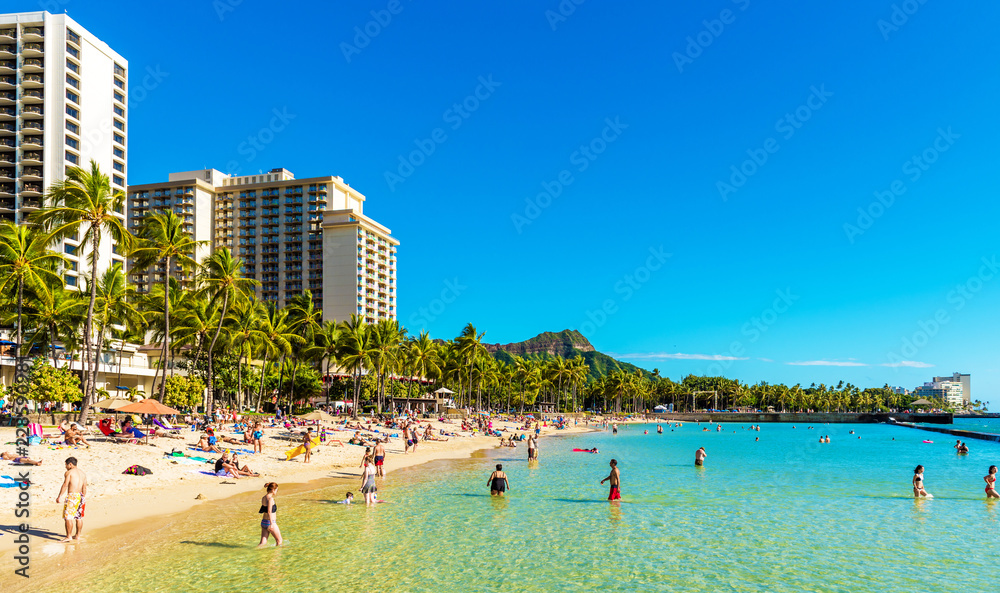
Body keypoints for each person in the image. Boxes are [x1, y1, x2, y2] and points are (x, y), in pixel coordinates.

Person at [55, 457, 87, 542]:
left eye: (66, 465)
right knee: (78, 517)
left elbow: (65, 484)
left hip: (72, 496)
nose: (65, 467)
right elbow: (84, 487)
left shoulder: (69, 472)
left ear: (70, 464)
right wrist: (83, 497)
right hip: (81, 496)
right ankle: (77, 535)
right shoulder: (83, 473)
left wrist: (59, 496)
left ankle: (68, 536)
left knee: (68, 517)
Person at [258, 482, 283, 547]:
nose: (276, 492)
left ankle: (255, 552)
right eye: (276, 490)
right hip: (270, 522)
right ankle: (277, 556)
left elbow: (264, 510)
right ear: (273, 490)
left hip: (264, 522)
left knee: (262, 543)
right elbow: (269, 511)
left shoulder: (264, 498)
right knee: (279, 541)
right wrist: (271, 524)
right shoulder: (270, 499)